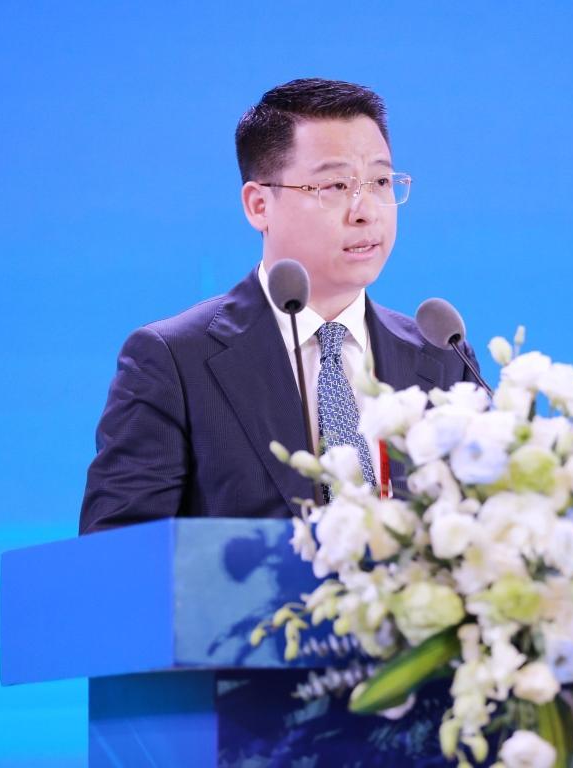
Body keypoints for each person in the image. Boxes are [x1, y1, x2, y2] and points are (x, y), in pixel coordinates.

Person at [79, 78, 480, 535]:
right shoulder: (173, 361)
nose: (366, 210)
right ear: (258, 205)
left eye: (381, 182)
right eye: (335, 185)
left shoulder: (443, 356)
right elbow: (118, 551)